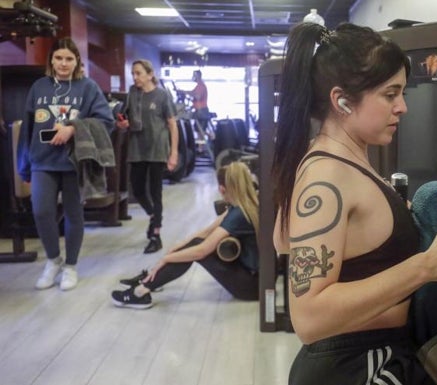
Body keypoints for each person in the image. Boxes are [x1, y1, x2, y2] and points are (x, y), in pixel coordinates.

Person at [271, 22, 437, 385]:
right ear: (341, 100)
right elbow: (309, 319)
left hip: (374, 354)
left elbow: (282, 239)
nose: (402, 107)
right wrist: (427, 266)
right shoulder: (327, 178)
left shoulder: (329, 161)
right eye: (390, 94)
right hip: (360, 366)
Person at [17, 37, 114, 291]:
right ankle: (53, 261)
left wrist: (73, 128)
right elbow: (27, 127)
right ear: (51, 59)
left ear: (77, 61)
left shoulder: (88, 87)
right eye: (59, 58)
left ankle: (70, 266)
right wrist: (23, 162)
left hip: (74, 162)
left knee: (73, 215)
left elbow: (106, 121)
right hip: (41, 161)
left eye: (69, 58)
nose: (63, 63)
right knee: (41, 212)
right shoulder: (39, 87)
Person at [111, 161, 260, 309]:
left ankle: (140, 291)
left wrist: (166, 258)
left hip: (251, 286)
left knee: (196, 250)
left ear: (222, 189)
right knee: (194, 243)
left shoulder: (238, 215)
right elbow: (205, 232)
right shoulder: (244, 205)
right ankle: (151, 279)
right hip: (255, 279)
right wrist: (177, 247)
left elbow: (201, 251)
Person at [116, 59, 179, 254]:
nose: (135, 77)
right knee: (137, 189)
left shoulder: (162, 95)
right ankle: (153, 216)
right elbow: (124, 117)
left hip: (157, 149)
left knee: (155, 192)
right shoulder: (132, 94)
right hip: (137, 149)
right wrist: (122, 124)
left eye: (139, 73)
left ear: (150, 74)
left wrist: (173, 152)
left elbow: (172, 124)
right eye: (133, 73)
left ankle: (156, 235)